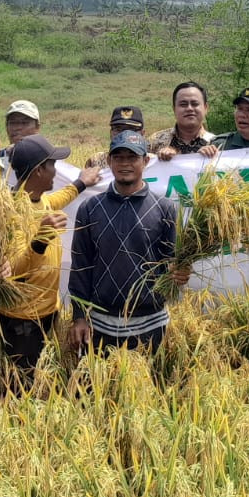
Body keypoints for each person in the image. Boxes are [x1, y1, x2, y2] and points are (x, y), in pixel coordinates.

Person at [69, 130, 190, 353]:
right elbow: (80, 266)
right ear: (109, 161)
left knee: (149, 387)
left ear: (145, 161)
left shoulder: (164, 208)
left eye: (132, 157)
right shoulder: (90, 208)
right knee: (98, 388)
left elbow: (173, 261)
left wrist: (180, 272)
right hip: (100, 324)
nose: (125, 164)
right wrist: (79, 317)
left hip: (151, 323)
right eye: (119, 157)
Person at [0, 134, 100, 375]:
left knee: (45, 375)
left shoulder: (39, 199)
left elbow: (57, 199)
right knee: (22, 382)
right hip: (23, 320)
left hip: (46, 311)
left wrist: (80, 183)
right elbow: (13, 269)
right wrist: (41, 239)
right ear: (38, 171)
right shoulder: (12, 212)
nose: (56, 171)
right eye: (52, 165)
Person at [151, 81, 220, 160]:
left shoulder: (217, 144)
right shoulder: (155, 141)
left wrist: (208, 158)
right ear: (174, 109)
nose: (189, 108)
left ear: (205, 108)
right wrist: (158, 157)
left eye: (195, 104)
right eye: (183, 104)